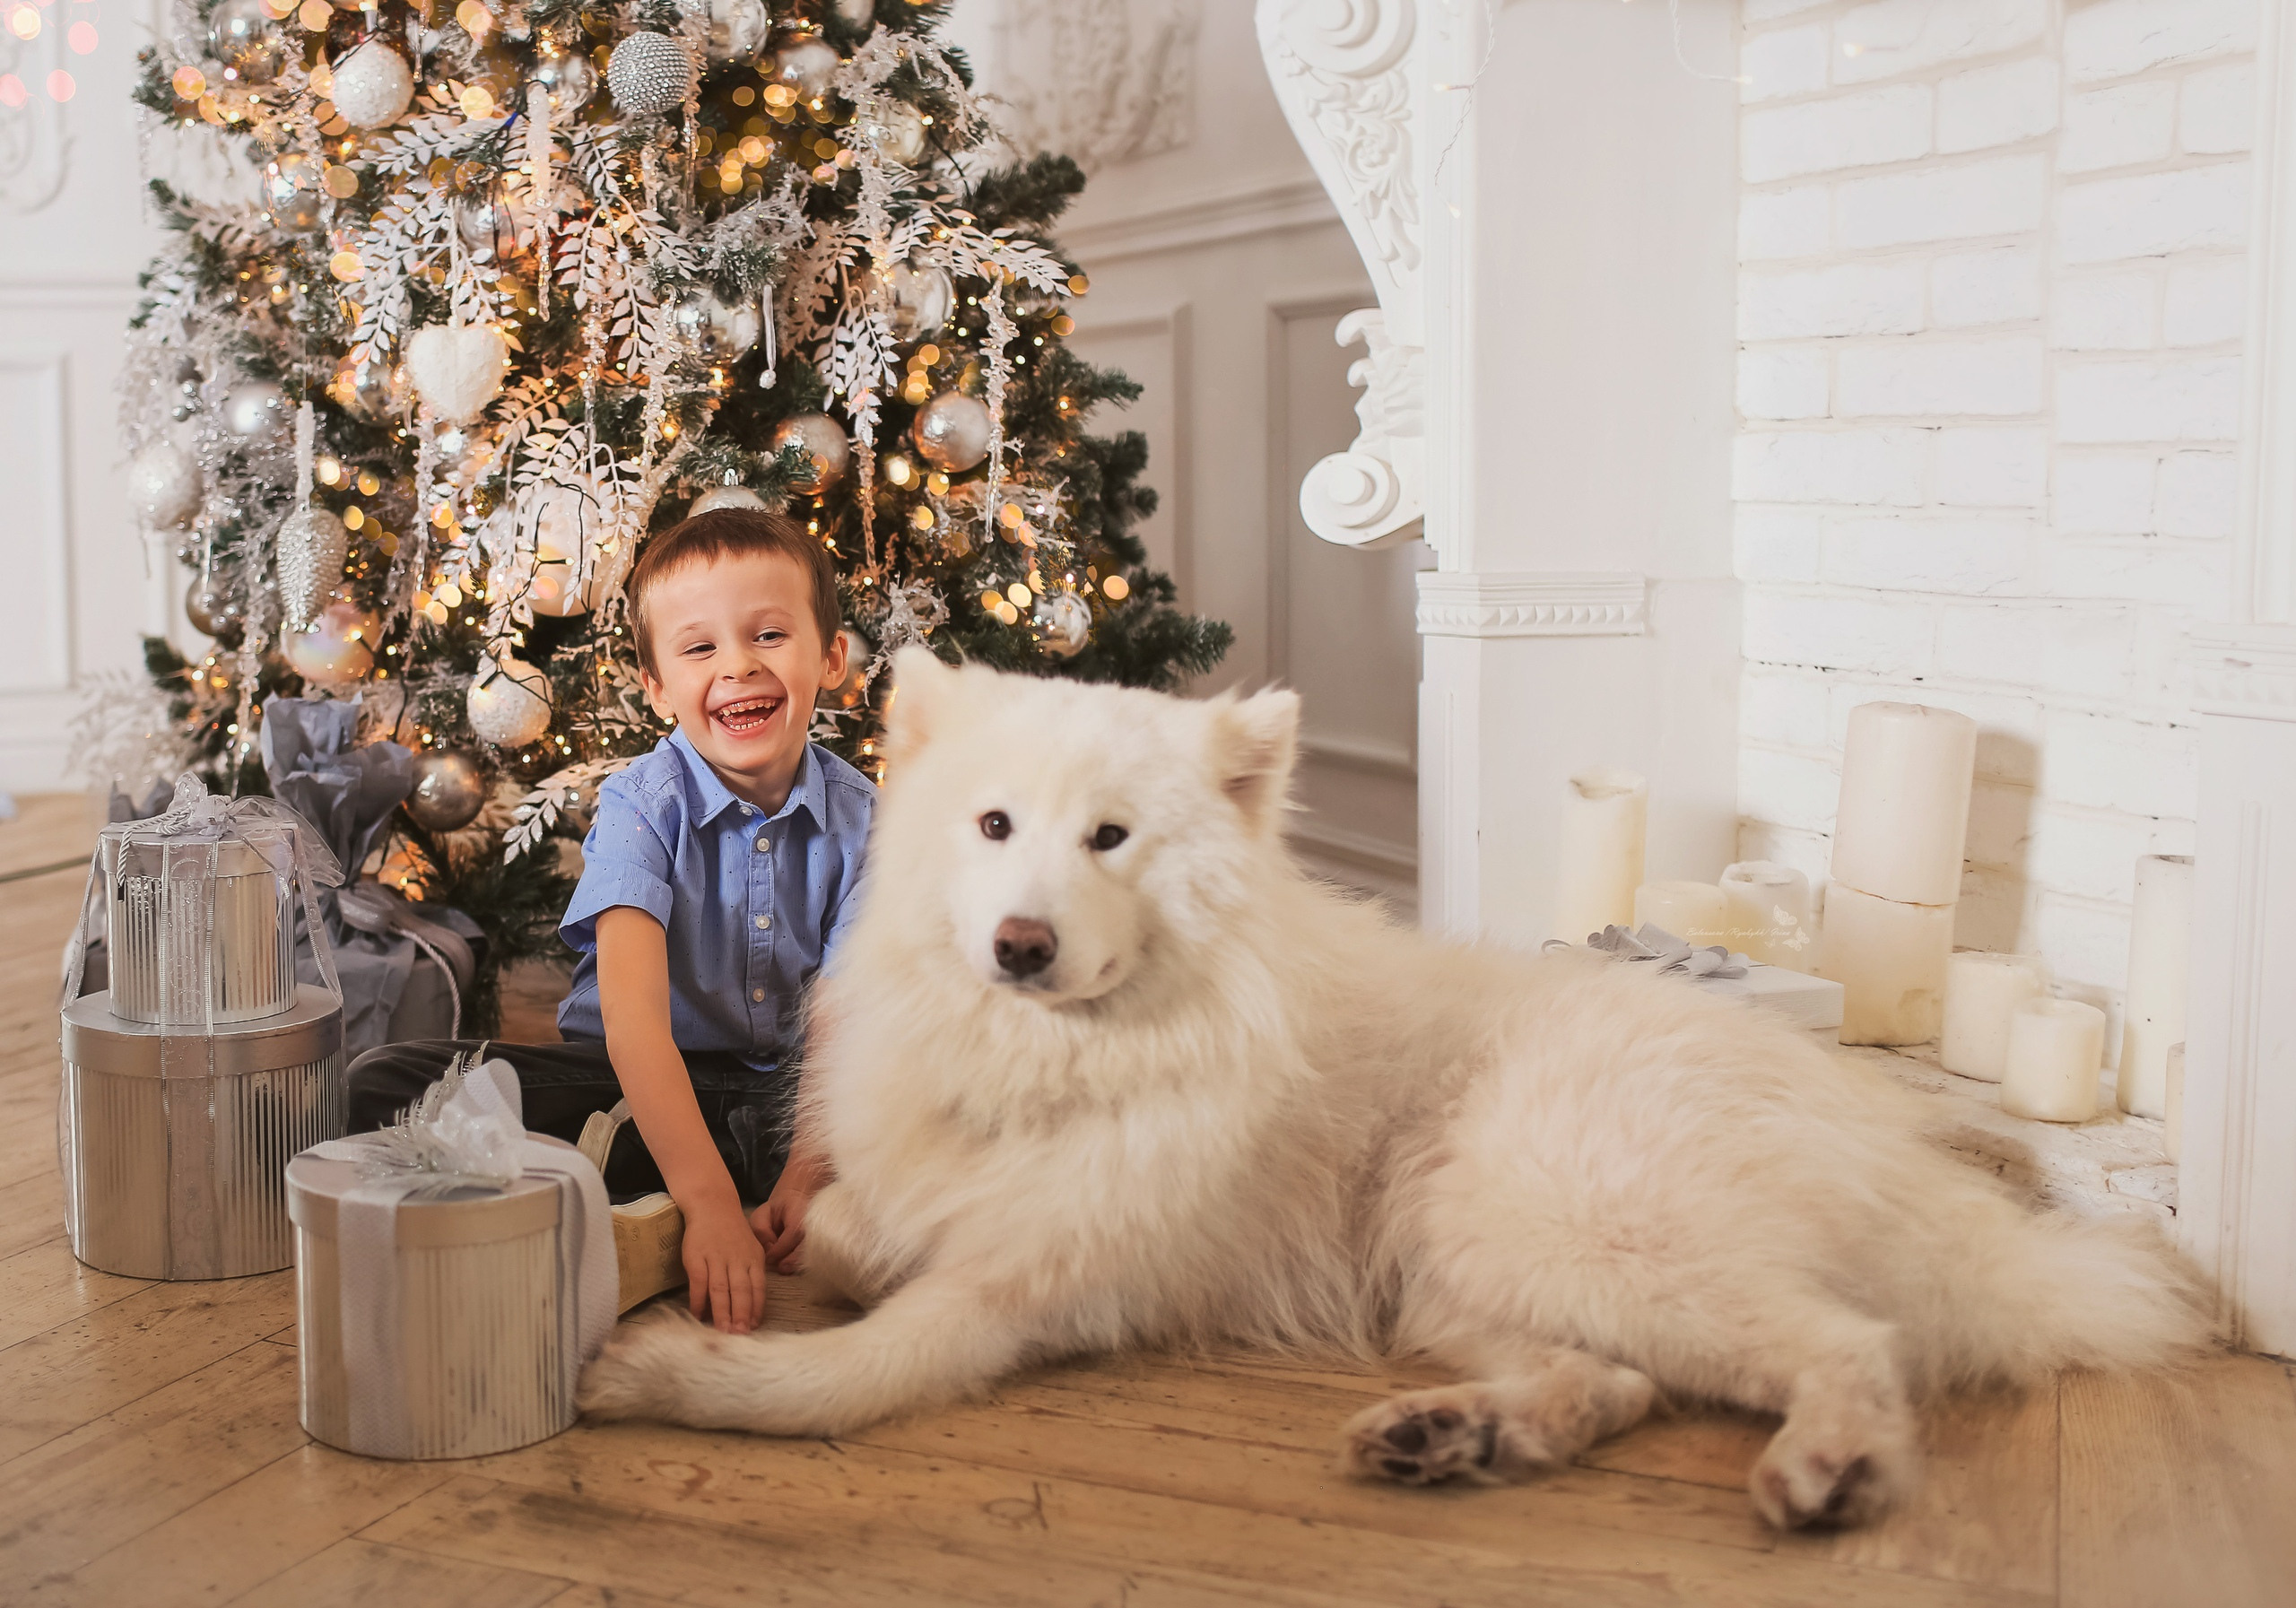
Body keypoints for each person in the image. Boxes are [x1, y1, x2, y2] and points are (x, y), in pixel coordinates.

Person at [344, 507, 874, 1334]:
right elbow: (633, 1028)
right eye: (700, 648)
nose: (737, 665)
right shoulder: (641, 804)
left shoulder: (867, 819)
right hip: (640, 1081)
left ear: (830, 657)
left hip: (794, 1108)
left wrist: (809, 1172)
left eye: (769, 635)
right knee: (382, 1084)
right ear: (659, 685)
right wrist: (709, 1207)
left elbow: (848, 1026)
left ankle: (649, 1193)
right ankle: (683, 1186)